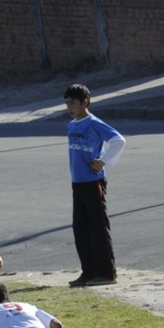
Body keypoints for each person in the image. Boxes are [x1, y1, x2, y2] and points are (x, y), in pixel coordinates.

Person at [63, 84, 126, 287]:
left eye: (73, 103)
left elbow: (118, 140)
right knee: (81, 228)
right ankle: (88, 272)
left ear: (85, 102)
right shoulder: (73, 124)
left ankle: (106, 272)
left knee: (97, 228)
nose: (69, 107)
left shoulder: (94, 123)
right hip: (78, 182)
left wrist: (103, 161)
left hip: (93, 182)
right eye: (67, 103)